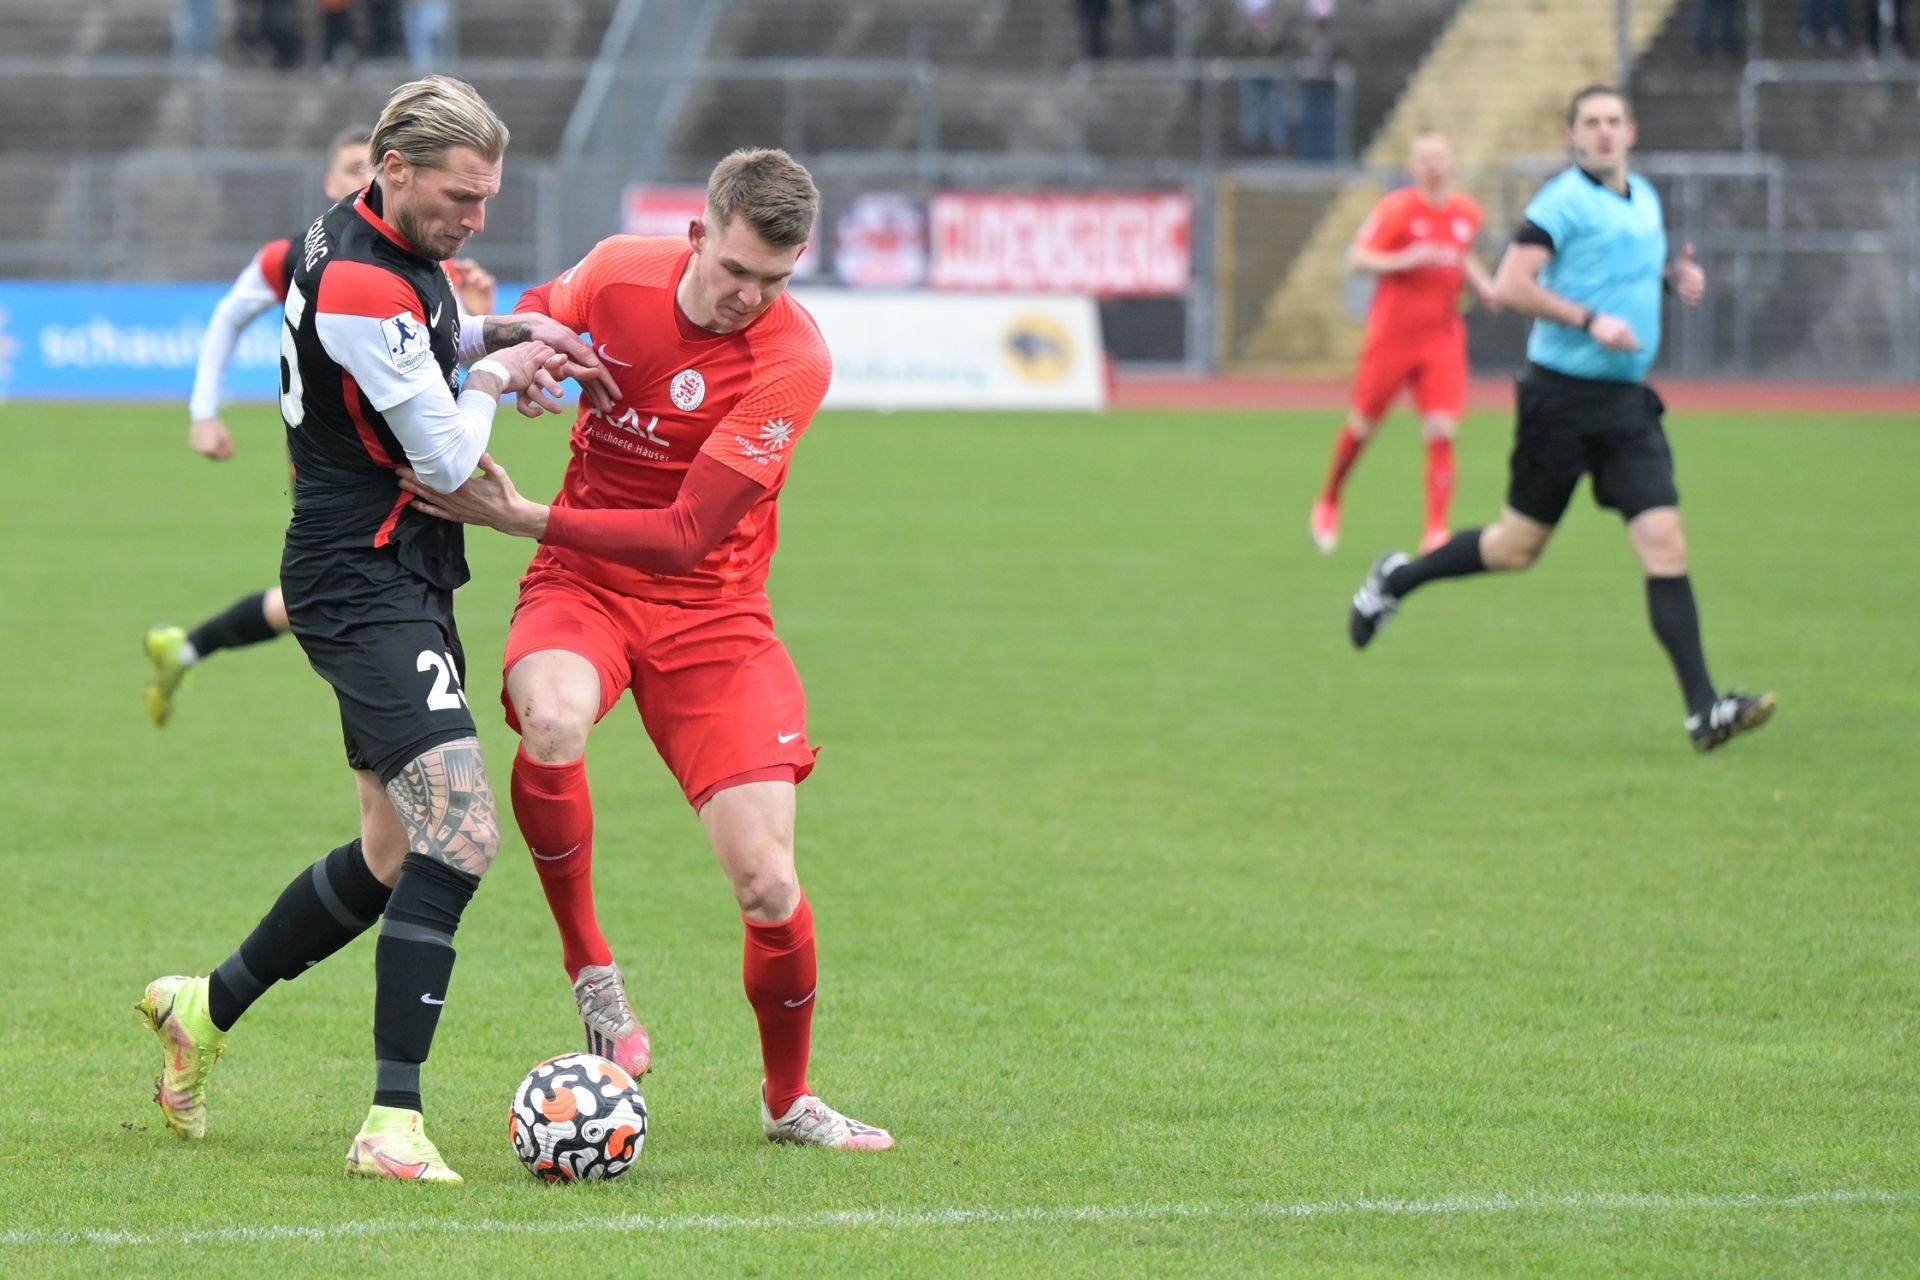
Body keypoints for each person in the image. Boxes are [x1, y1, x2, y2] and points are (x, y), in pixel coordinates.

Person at [136, 75, 615, 1184]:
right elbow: (447, 456)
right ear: (395, 170)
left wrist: (506, 329)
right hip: (362, 578)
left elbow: (426, 333)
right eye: (461, 196)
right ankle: (391, 1122)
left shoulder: (372, 237)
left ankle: (202, 1009)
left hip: (397, 568)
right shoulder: (359, 274)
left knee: (394, 854)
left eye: (488, 197)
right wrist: (496, 371)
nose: (476, 219)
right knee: (463, 828)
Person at [399, 147, 894, 1151]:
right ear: (698, 234)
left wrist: (521, 515)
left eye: (774, 281)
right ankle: (594, 976)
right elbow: (543, 306)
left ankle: (788, 1099)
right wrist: (535, 352)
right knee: (551, 720)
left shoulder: (793, 361)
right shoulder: (620, 269)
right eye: (736, 270)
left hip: (716, 616)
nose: (750, 296)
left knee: (769, 884)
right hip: (582, 587)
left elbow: (686, 535)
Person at [1346, 85, 1775, 753]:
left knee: (1666, 543)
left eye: (1613, 121)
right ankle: (1396, 579)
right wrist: (1589, 320)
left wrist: (1670, 281)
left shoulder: (1645, 199)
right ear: (1573, 136)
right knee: (1516, 548)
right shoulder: (1560, 202)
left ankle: (1704, 712)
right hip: (1560, 401)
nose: (1603, 132)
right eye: (1590, 123)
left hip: (1627, 404)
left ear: (1631, 130)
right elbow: (1512, 284)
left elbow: (1617, 273)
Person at [144, 127, 497, 728]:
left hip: (409, 459)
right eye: (351, 166)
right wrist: (204, 411)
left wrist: (475, 321)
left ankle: (186, 650)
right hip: (343, 465)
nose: (364, 175)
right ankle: (191, 649)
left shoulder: (419, 256)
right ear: (331, 182)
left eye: (368, 164)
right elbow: (229, 316)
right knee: (368, 595)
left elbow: (438, 376)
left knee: (365, 599)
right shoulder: (303, 255)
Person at [1311, 130, 1495, 555]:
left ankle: (1436, 530)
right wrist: (1404, 259)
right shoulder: (1396, 210)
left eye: (1439, 157)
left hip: (1442, 339)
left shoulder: (1467, 213)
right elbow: (1356, 259)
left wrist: (1485, 285)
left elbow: (1462, 254)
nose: (1433, 166)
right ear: (1413, 166)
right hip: (1392, 338)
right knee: (1362, 427)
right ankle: (1330, 498)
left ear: (1451, 163)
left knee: (1442, 429)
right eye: (1425, 158)